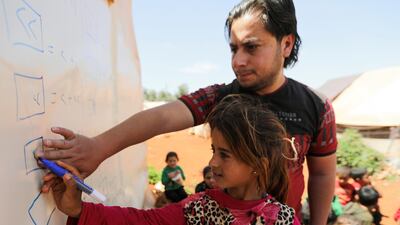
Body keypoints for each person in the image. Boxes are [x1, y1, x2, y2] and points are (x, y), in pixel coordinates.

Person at [38, 0, 337, 223]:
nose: (238, 61)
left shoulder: (315, 107)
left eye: (251, 47)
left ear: (286, 44)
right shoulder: (203, 208)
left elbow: (322, 176)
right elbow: (162, 117)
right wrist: (98, 148)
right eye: (233, 49)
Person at [45, 94, 300, 225]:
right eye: (214, 150)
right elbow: (144, 222)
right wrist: (79, 210)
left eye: (224, 154)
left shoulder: (284, 220)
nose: (213, 163)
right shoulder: (200, 209)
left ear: (258, 164)